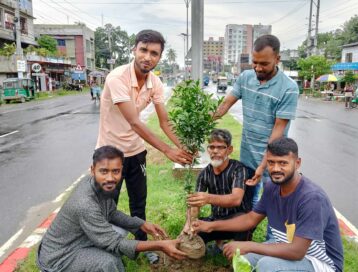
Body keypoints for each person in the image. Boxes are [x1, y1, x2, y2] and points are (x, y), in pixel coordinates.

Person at [96, 29, 192, 263]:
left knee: (139, 204)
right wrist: (168, 150)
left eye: (154, 53)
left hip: (136, 152)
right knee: (106, 208)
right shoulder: (117, 78)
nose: (147, 57)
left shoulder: (155, 83)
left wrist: (183, 145)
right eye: (143, 50)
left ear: (159, 57)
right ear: (134, 50)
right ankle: (104, 252)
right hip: (110, 154)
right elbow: (134, 122)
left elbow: (164, 121)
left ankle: (143, 246)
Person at [192, 137, 344, 272]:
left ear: (297, 163)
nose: (276, 168)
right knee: (245, 259)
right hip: (285, 245)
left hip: (320, 264)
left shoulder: (311, 197)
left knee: (267, 266)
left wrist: (248, 245)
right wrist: (211, 226)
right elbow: (250, 219)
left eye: (283, 163)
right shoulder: (272, 187)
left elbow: (297, 251)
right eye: (271, 162)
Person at [37, 146, 186, 272]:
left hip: (78, 240)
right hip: (58, 257)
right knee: (108, 262)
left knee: (121, 232)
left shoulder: (99, 185)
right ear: (93, 170)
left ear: (121, 170)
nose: (110, 178)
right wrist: (160, 245)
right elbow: (115, 243)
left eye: (115, 171)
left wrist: (141, 224)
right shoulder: (85, 204)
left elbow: (112, 213)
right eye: (104, 171)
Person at [214, 34, 299, 206]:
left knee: (275, 205)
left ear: (277, 59)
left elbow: (277, 132)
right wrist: (203, 122)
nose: (258, 68)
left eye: (264, 63)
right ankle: (247, 233)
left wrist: (263, 165)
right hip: (247, 155)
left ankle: (272, 233)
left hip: (273, 158)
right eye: (255, 62)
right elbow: (225, 105)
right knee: (247, 202)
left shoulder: (289, 88)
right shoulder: (246, 77)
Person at [183, 129, 254, 253]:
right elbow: (195, 204)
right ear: (208, 149)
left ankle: (242, 249)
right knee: (196, 230)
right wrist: (189, 224)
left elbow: (236, 199)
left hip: (237, 221)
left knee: (244, 223)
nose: (215, 151)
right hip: (215, 221)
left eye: (220, 147)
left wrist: (208, 198)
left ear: (229, 149)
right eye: (211, 147)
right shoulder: (204, 174)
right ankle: (216, 246)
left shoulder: (239, 169)